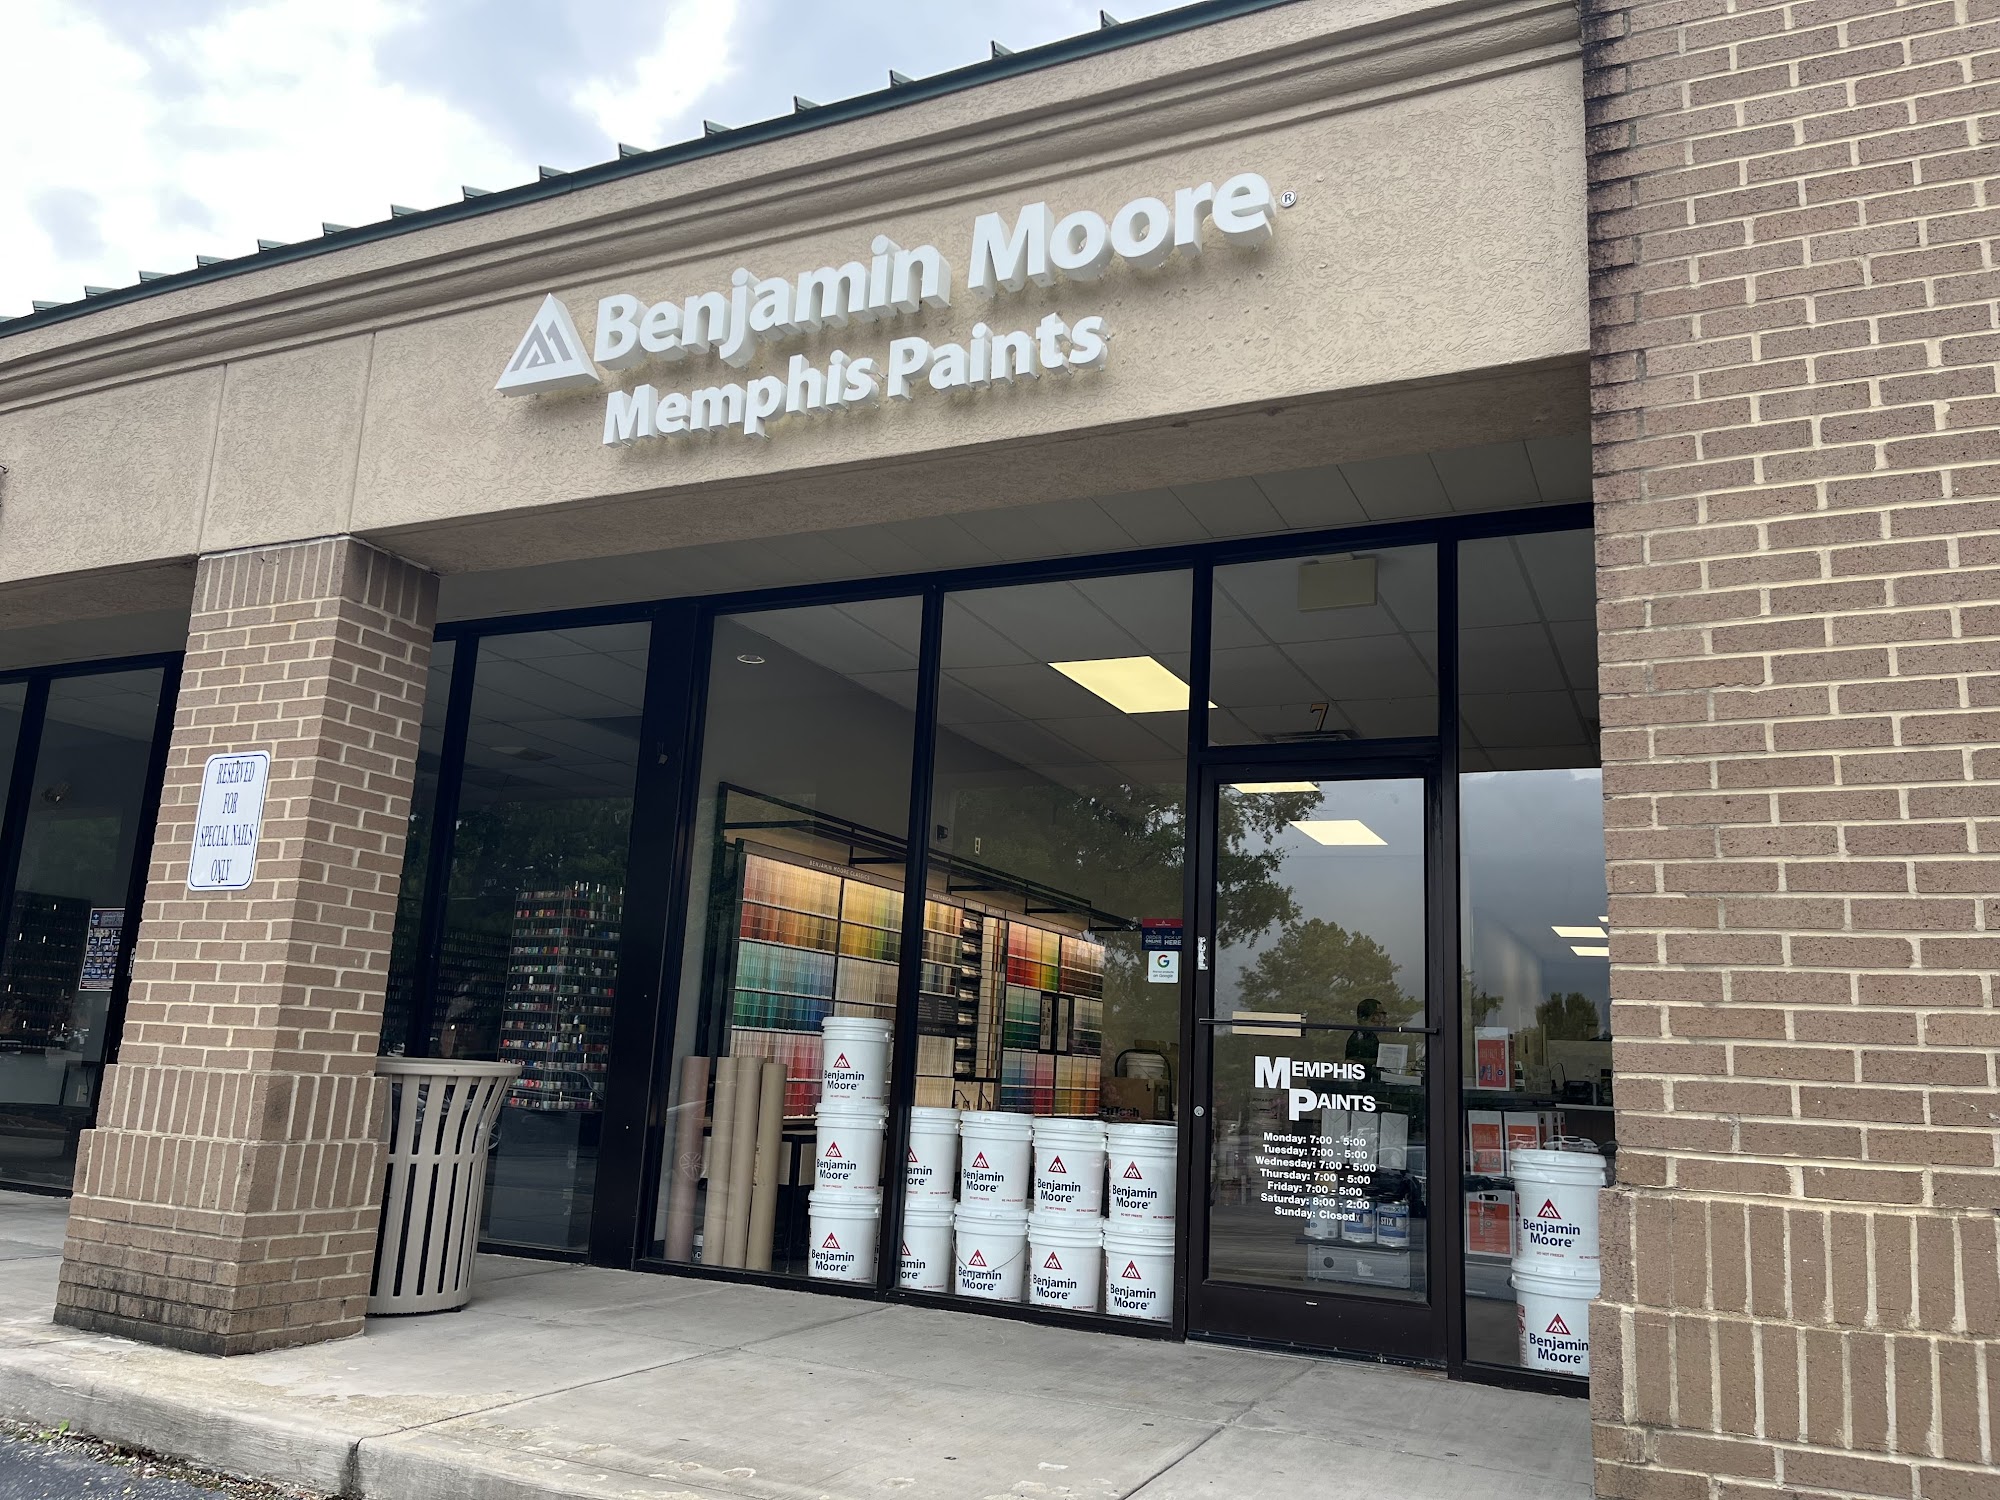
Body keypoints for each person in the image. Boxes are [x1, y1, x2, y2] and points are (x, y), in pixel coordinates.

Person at [1344, 996, 1383, 1067]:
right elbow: (1354, 1060)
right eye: (1378, 1015)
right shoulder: (1360, 1037)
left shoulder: (1370, 1035)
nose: (1381, 1019)